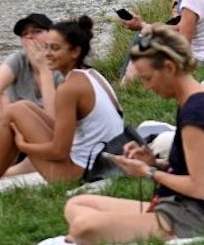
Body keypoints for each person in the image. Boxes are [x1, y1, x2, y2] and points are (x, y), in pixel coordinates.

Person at [64, 25, 204, 245]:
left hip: (202, 217)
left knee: (82, 227)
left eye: (147, 78)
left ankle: (105, 232)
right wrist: (153, 163)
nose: (147, 87)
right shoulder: (190, 101)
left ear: (169, 67)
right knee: (77, 204)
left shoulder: (198, 113)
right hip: (179, 204)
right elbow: (194, 169)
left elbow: (201, 188)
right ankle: (110, 231)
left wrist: (147, 172)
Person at [0, 16, 123, 183]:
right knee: (21, 107)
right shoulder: (89, 73)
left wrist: (24, 146)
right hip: (102, 158)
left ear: (75, 52)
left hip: (77, 173)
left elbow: (59, 151)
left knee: (13, 112)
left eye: (55, 48)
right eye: (47, 47)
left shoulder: (69, 88)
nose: (47, 54)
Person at [1, 14, 60, 114]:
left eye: (37, 31)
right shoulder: (19, 59)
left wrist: (43, 67)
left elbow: (54, 117)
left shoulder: (62, 66)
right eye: (24, 34)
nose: (29, 36)